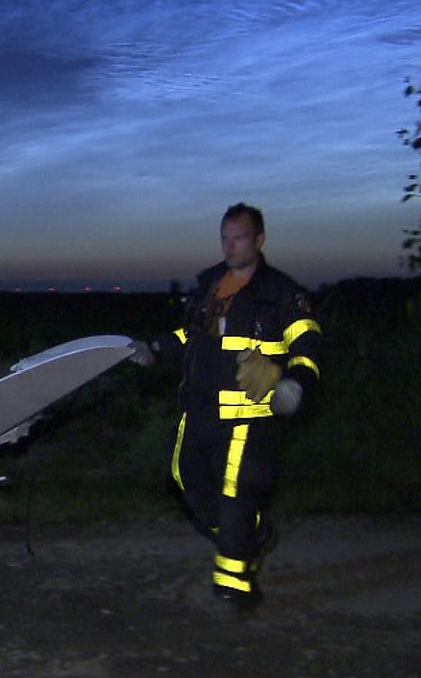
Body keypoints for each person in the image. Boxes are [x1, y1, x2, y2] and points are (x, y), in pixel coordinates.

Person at [130, 202, 321, 614]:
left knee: (237, 491)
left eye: (238, 237)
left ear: (258, 240)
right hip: (197, 410)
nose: (230, 245)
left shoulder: (283, 293)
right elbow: (191, 335)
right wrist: (155, 348)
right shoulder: (210, 286)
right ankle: (249, 531)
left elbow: (308, 347)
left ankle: (233, 584)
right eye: (224, 237)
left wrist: (292, 383)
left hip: (249, 417)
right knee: (185, 477)